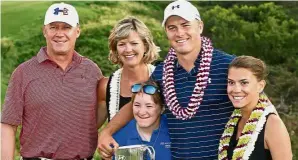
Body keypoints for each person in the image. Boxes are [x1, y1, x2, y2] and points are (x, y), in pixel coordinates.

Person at [98, 0, 236, 159]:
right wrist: (106, 132)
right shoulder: (162, 72)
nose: (179, 33)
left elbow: (259, 107)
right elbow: (135, 103)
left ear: (200, 26)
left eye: (185, 25)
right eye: (172, 28)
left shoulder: (228, 65)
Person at [1, 3, 102, 160]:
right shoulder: (23, 72)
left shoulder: (92, 70)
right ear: (44, 31)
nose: (59, 33)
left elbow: (97, 115)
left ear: (77, 31)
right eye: (53, 27)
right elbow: (8, 125)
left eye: (66, 27)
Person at [218, 56, 292, 160]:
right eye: (231, 82)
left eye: (244, 83)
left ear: (260, 86)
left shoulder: (273, 125)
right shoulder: (233, 121)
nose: (236, 89)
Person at [96, 16, 159, 128]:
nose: (128, 49)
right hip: (119, 145)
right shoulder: (105, 87)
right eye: (122, 44)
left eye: (134, 43)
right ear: (115, 49)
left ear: (145, 46)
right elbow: (89, 131)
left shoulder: (163, 79)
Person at [112, 80, 171, 160]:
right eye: (137, 105)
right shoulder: (119, 138)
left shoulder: (174, 131)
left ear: (162, 108)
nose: (142, 112)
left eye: (149, 106)